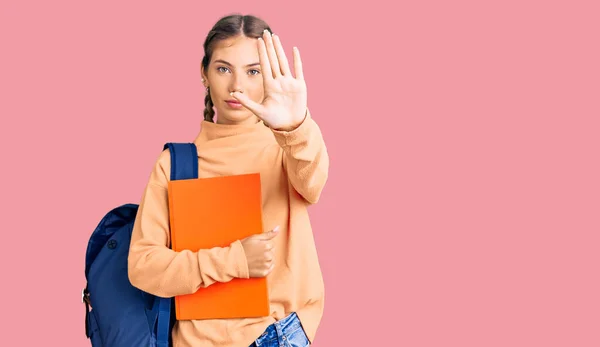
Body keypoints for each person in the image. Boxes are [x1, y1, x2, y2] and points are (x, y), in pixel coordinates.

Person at [127, 13, 329, 347]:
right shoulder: (175, 164)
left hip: (277, 334)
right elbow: (142, 266)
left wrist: (296, 127)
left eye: (253, 71)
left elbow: (314, 184)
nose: (237, 85)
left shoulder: (286, 146)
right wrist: (235, 260)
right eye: (223, 68)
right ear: (204, 75)